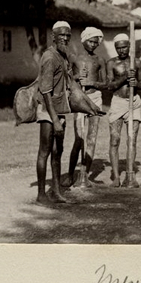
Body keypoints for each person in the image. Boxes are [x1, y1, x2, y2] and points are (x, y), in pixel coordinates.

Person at [62, 27, 107, 188]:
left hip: (95, 99)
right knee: (79, 139)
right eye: (90, 41)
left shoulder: (100, 60)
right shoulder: (75, 58)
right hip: (79, 99)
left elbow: (106, 83)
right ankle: (69, 175)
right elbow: (67, 79)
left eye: (96, 42)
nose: (93, 44)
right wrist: (76, 77)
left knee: (92, 139)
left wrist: (92, 83)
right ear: (83, 40)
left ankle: (84, 175)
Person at [35, 21, 73, 204]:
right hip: (48, 111)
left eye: (68, 35)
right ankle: (41, 194)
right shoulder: (49, 57)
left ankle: (56, 192)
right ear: (53, 36)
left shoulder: (63, 56)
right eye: (62, 35)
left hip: (59, 110)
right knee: (45, 151)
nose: (65, 38)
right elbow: (46, 91)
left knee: (58, 152)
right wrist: (55, 120)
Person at [106, 33, 141, 188]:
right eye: (119, 47)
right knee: (115, 140)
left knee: (132, 140)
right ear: (115, 48)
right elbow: (110, 86)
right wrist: (124, 78)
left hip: (133, 103)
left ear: (129, 46)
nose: (122, 50)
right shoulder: (111, 63)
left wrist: (135, 82)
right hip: (117, 103)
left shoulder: (137, 63)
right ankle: (116, 176)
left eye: (124, 47)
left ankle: (130, 174)